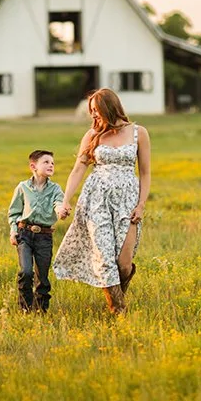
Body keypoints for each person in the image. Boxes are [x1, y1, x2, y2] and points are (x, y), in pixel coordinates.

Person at [53, 88, 151, 314]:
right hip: (96, 201)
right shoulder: (92, 136)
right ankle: (119, 312)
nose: (94, 116)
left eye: (97, 111)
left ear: (110, 107)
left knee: (124, 264)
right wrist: (66, 200)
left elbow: (145, 173)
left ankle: (116, 296)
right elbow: (79, 168)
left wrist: (141, 205)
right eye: (91, 112)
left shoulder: (139, 133)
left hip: (127, 201)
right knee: (106, 259)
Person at [7, 150, 67, 312]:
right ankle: (25, 309)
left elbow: (59, 204)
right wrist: (13, 231)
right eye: (46, 162)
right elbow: (14, 213)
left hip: (44, 237)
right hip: (24, 234)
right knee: (26, 272)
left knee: (42, 277)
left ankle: (40, 311)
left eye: (53, 163)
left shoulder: (55, 189)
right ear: (33, 166)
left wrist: (61, 211)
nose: (51, 165)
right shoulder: (22, 187)